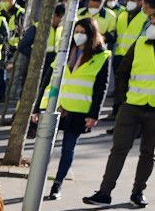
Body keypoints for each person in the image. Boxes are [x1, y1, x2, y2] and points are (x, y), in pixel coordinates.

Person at [83, 9, 155, 209]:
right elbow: (122, 73)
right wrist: (122, 99)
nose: (154, 27)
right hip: (132, 106)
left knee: (149, 153)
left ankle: (138, 192)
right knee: (118, 149)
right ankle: (104, 192)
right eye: (153, 23)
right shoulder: (140, 44)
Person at [43, 18, 108, 201]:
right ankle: (39, 181)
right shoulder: (64, 52)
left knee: (68, 149)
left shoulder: (101, 56)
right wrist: (39, 106)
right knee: (45, 147)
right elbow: (48, 78)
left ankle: (57, 184)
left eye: (82, 32)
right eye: (76, 32)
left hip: (79, 109)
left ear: (91, 34)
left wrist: (94, 114)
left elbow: (100, 87)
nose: (78, 36)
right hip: (58, 106)